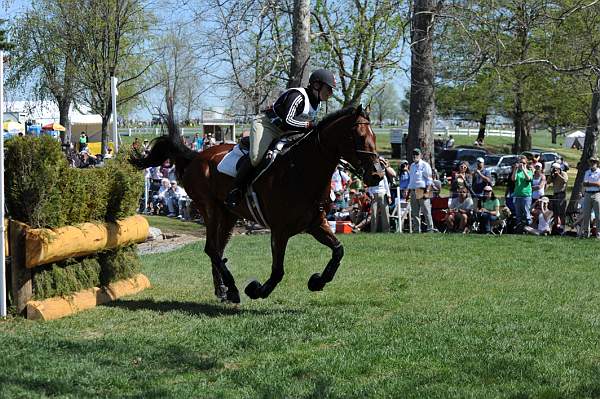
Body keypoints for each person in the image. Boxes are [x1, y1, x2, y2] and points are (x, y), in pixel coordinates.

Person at [225, 68, 336, 208]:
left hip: (285, 132)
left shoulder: (317, 102)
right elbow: (288, 120)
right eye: (329, 89)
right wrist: (310, 125)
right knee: (257, 157)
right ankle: (236, 190)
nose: (331, 93)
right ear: (316, 85)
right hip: (267, 125)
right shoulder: (298, 96)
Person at [407, 148, 434, 233]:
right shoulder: (411, 166)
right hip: (413, 190)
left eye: (417, 154)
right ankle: (416, 230)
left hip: (422, 190)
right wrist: (408, 192)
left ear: (421, 155)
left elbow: (429, 179)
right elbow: (411, 180)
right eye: (414, 154)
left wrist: (427, 191)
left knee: (426, 211)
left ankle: (430, 229)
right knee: (415, 212)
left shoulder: (425, 165)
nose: (415, 156)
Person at [580, 156, 600, 238]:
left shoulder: (599, 172)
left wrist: (589, 183)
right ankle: (586, 232)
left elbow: (599, 184)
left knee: (598, 215)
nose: (592, 163)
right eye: (591, 162)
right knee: (586, 214)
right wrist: (593, 183)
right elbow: (584, 183)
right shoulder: (587, 172)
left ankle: (598, 233)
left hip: (597, 194)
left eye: (594, 162)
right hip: (587, 193)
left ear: (597, 163)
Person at [511, 155, 533, 227]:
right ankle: (519, 228)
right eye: (520, 162)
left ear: (526, 164)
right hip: (517, 195)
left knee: (527, 213)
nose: (522, 164)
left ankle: (529, 228)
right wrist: (515, 169)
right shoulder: (517, 172)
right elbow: (513, 179)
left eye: (523, 163)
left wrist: (523, 169)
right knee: (518, 214)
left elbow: (528, 179)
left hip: (526, 196)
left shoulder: (529, 171)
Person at [547, 162, 568, 232]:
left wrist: (558, 174)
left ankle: (562, 227)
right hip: (555, 194)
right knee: (555, 212)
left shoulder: (563, 173)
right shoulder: (553, 175)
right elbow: (548, 182)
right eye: (553, 169)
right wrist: (552, 175)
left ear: (559, 169)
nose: (554, 170)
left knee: (561, 212)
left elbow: (564, 181)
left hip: (561, 194)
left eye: (556, 169)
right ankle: (556, 227)